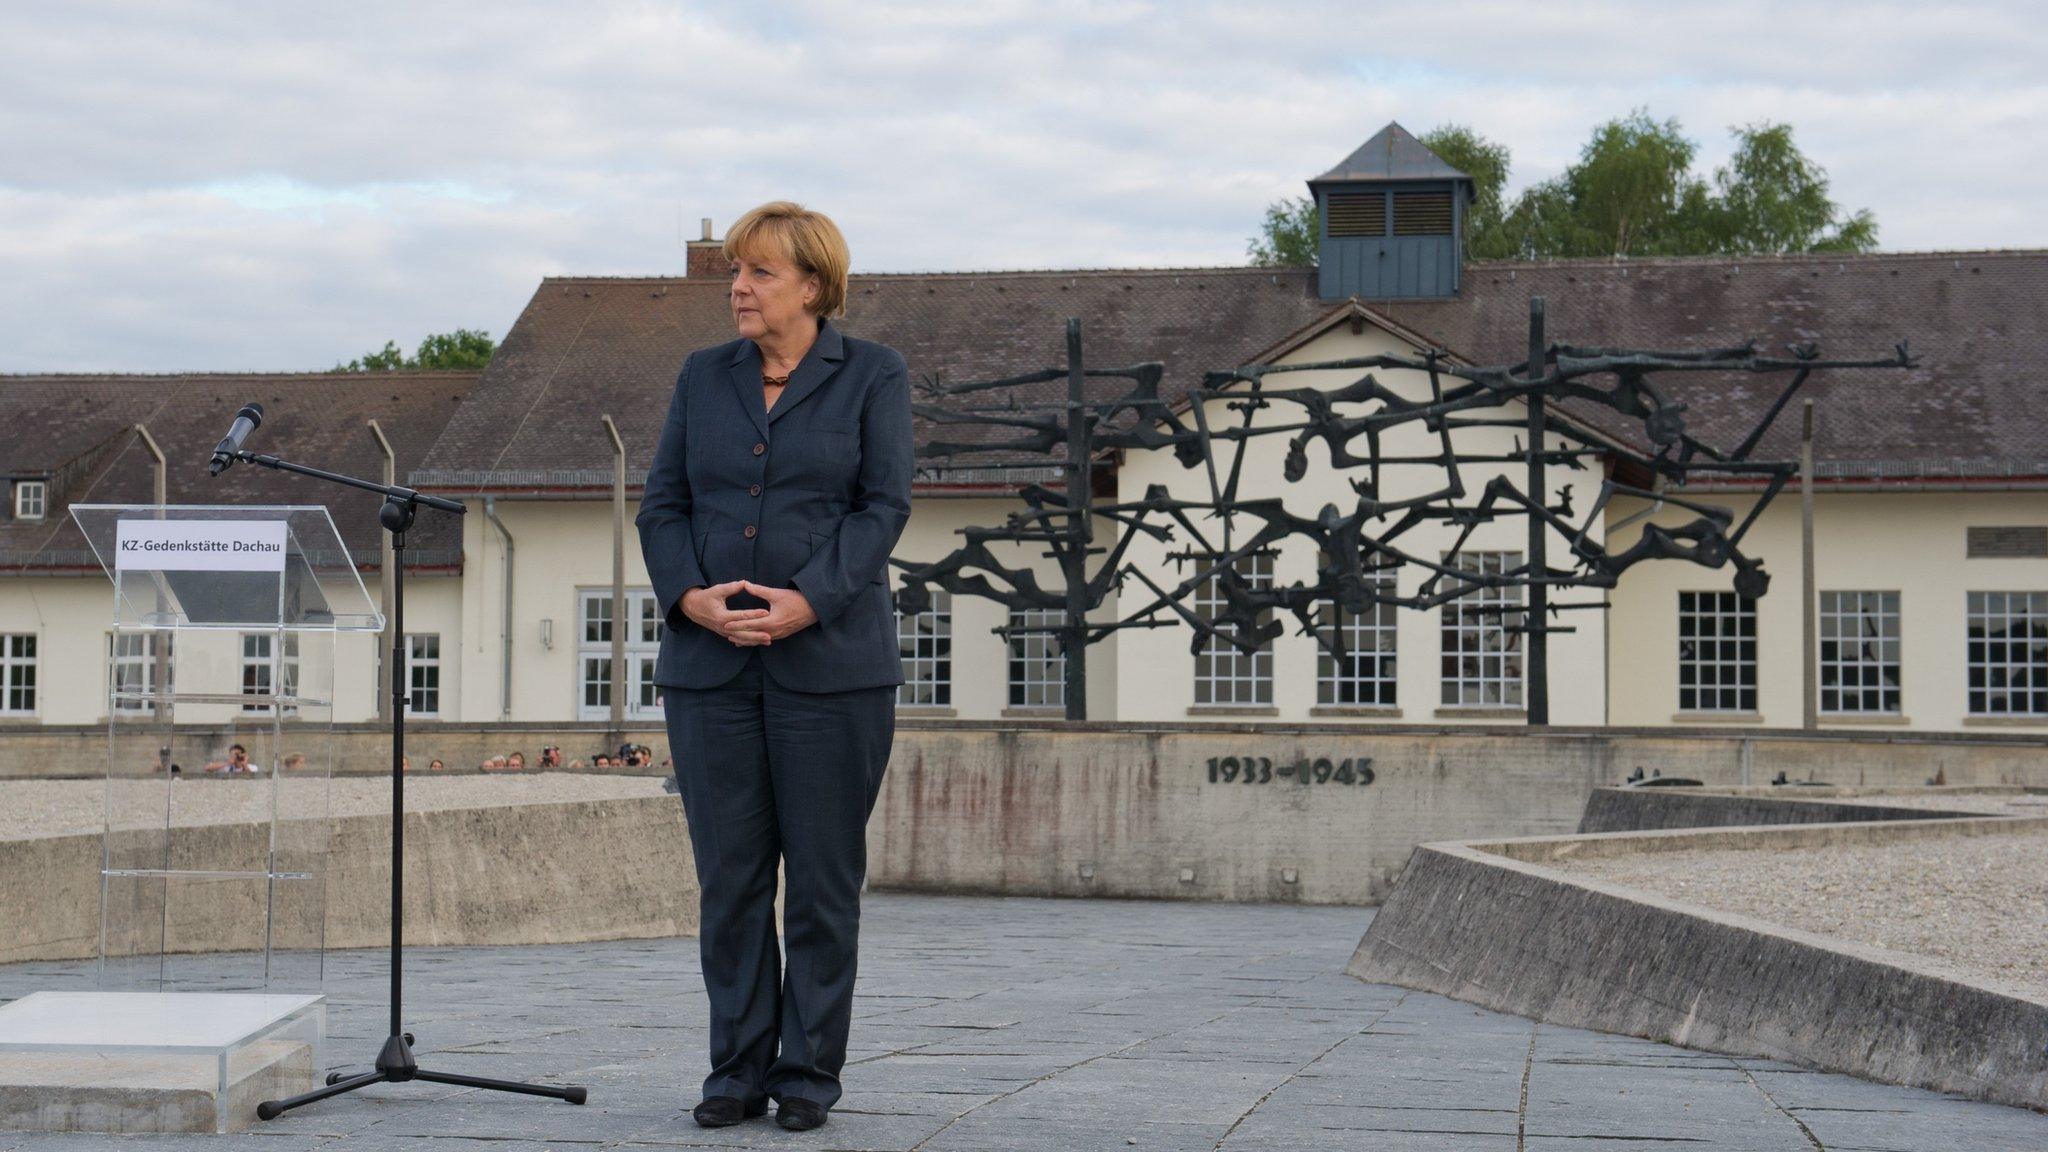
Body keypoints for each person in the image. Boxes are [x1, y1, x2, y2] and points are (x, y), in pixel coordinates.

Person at [636, 200, 912, 1133]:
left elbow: (882, 508)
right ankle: (736, 1070)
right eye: (733, 273)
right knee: (733, 880)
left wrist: (808, 599)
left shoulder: (872, 373)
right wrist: (689, 597)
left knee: (825, 883)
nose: (737, 289)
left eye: (756, 273)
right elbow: (662, 507)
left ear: (811, 283)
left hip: (833, 670)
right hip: (709, 670)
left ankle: (806, 1076)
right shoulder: (701, 377)